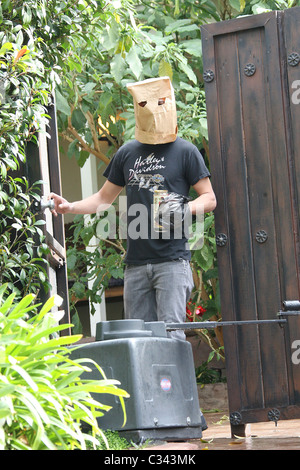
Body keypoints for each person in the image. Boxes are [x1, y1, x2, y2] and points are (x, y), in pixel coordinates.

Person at [49, 77, 216, 340]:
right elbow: (103, 199)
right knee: (139, 341)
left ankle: (174, 383)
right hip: (136, 266)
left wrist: (183, 208)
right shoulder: (127, 153)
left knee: (171, 337)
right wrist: (70, 206)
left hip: (172, 262)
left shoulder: (186, 151)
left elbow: (209, 199)